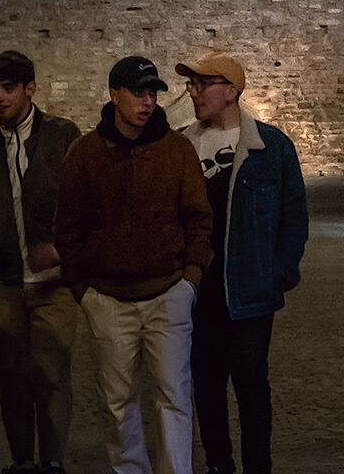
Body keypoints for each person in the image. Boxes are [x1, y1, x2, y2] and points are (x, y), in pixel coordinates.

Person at [53, 55, 213, 474]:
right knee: (117, 403)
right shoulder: (86, 154)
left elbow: (199, 218)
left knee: (173, 398)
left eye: (153, 93)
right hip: (108, 298)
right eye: (139, 92)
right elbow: (67, 227)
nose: (148, 101)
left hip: (168, 292)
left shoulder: (176, 150)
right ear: (114, 95)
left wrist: (190, 279)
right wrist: (84, 290)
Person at [175, 53, 307, 474]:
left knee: (251, 384)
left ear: (231, 91)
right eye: (191, 85)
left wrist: (278, 273)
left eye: (203, 84)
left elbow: (293, 217)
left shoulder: (271, 147)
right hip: (198, 290)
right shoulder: (181, 146)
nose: (194, 93)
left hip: (250, 290)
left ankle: (257, 466)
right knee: (206, 385)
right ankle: (219, 464)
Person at [0, 49, 81, 474]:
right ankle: (22, 460)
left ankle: (52, 460)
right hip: (3, 280)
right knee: (11, 375)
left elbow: (82, 201)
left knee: (51, 371)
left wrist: (61, 248)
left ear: (30, 89)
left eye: (8, 88)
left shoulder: (61, 135)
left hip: (53, 280)